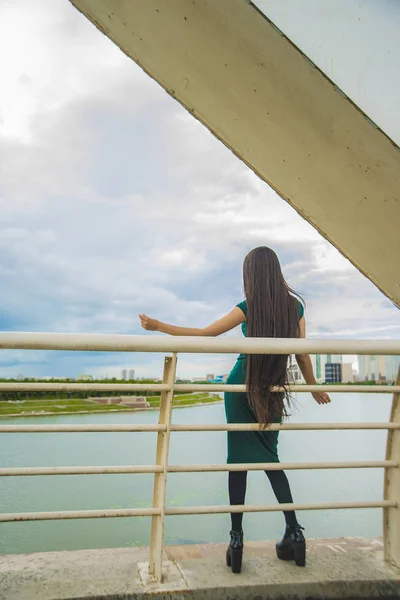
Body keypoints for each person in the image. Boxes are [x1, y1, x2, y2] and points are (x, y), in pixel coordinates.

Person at [139, 246, 330, 574]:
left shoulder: (248, 307)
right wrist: (312, 386)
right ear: (277, 271)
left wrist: (159, 326)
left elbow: (205, 334)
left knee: (237, 463)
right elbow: (301, 354)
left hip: (241, 387)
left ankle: (237, 540)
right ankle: (294, 532)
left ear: (251, 275)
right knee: (272, 461)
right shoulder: (295, 307)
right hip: (272, 391)